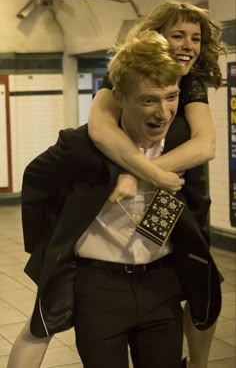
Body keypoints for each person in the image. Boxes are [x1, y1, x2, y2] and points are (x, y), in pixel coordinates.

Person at [7, 30, 221, 368]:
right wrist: (49, 244)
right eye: (149, 100)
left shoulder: (182, 139)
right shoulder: (80, 146)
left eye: (171, 97)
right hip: (99, 288)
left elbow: (195, 202)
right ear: (119, 96)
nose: (164, 112)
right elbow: (36, 181)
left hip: (160, 284)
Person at [88, 0, 225, 368]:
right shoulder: (124, 74)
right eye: (177, 35)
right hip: (138, 191)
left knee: (200, 284)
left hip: (179, 191)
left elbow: (205, 144)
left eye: (195, 38)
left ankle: (197, 363)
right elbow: (99, 129)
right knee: (155, 273)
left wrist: (140, 173)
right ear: (156, 37)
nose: (188, 45)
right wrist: (141, 172)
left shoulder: (191, 82)